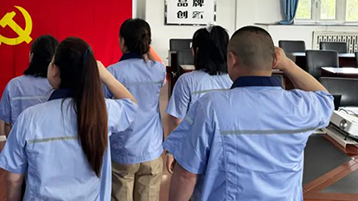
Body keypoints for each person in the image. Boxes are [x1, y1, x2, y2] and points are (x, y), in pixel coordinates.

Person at [165, 26, 334, 201]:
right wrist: (287, 64)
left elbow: (186, 175)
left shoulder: (210, 106)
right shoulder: (299, 106)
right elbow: (325, 99)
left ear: (232, 59)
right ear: (274, 61)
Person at [0, 37, 138, 201]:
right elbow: (131, 104)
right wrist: (104, 75)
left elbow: (14, 179)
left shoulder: (29, 118)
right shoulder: (103, 112)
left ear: (55, 71)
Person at [104, 18, 166, 201]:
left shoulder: (112, 73)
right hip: (151, 149)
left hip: (123, 149)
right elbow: (157, 63)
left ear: (122, 41)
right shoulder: (158, 70)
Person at [164, 25, 232, 173]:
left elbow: (177, 121)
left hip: (194, 152)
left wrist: (171, 151)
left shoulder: (187, 81)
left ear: (196, 51)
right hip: (229, 151)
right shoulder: (234, 80)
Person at [0, 35, 58, 136]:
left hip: (22, 142)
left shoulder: (14, 85)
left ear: (31, 56)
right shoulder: (60, 86)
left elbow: (6, 124)